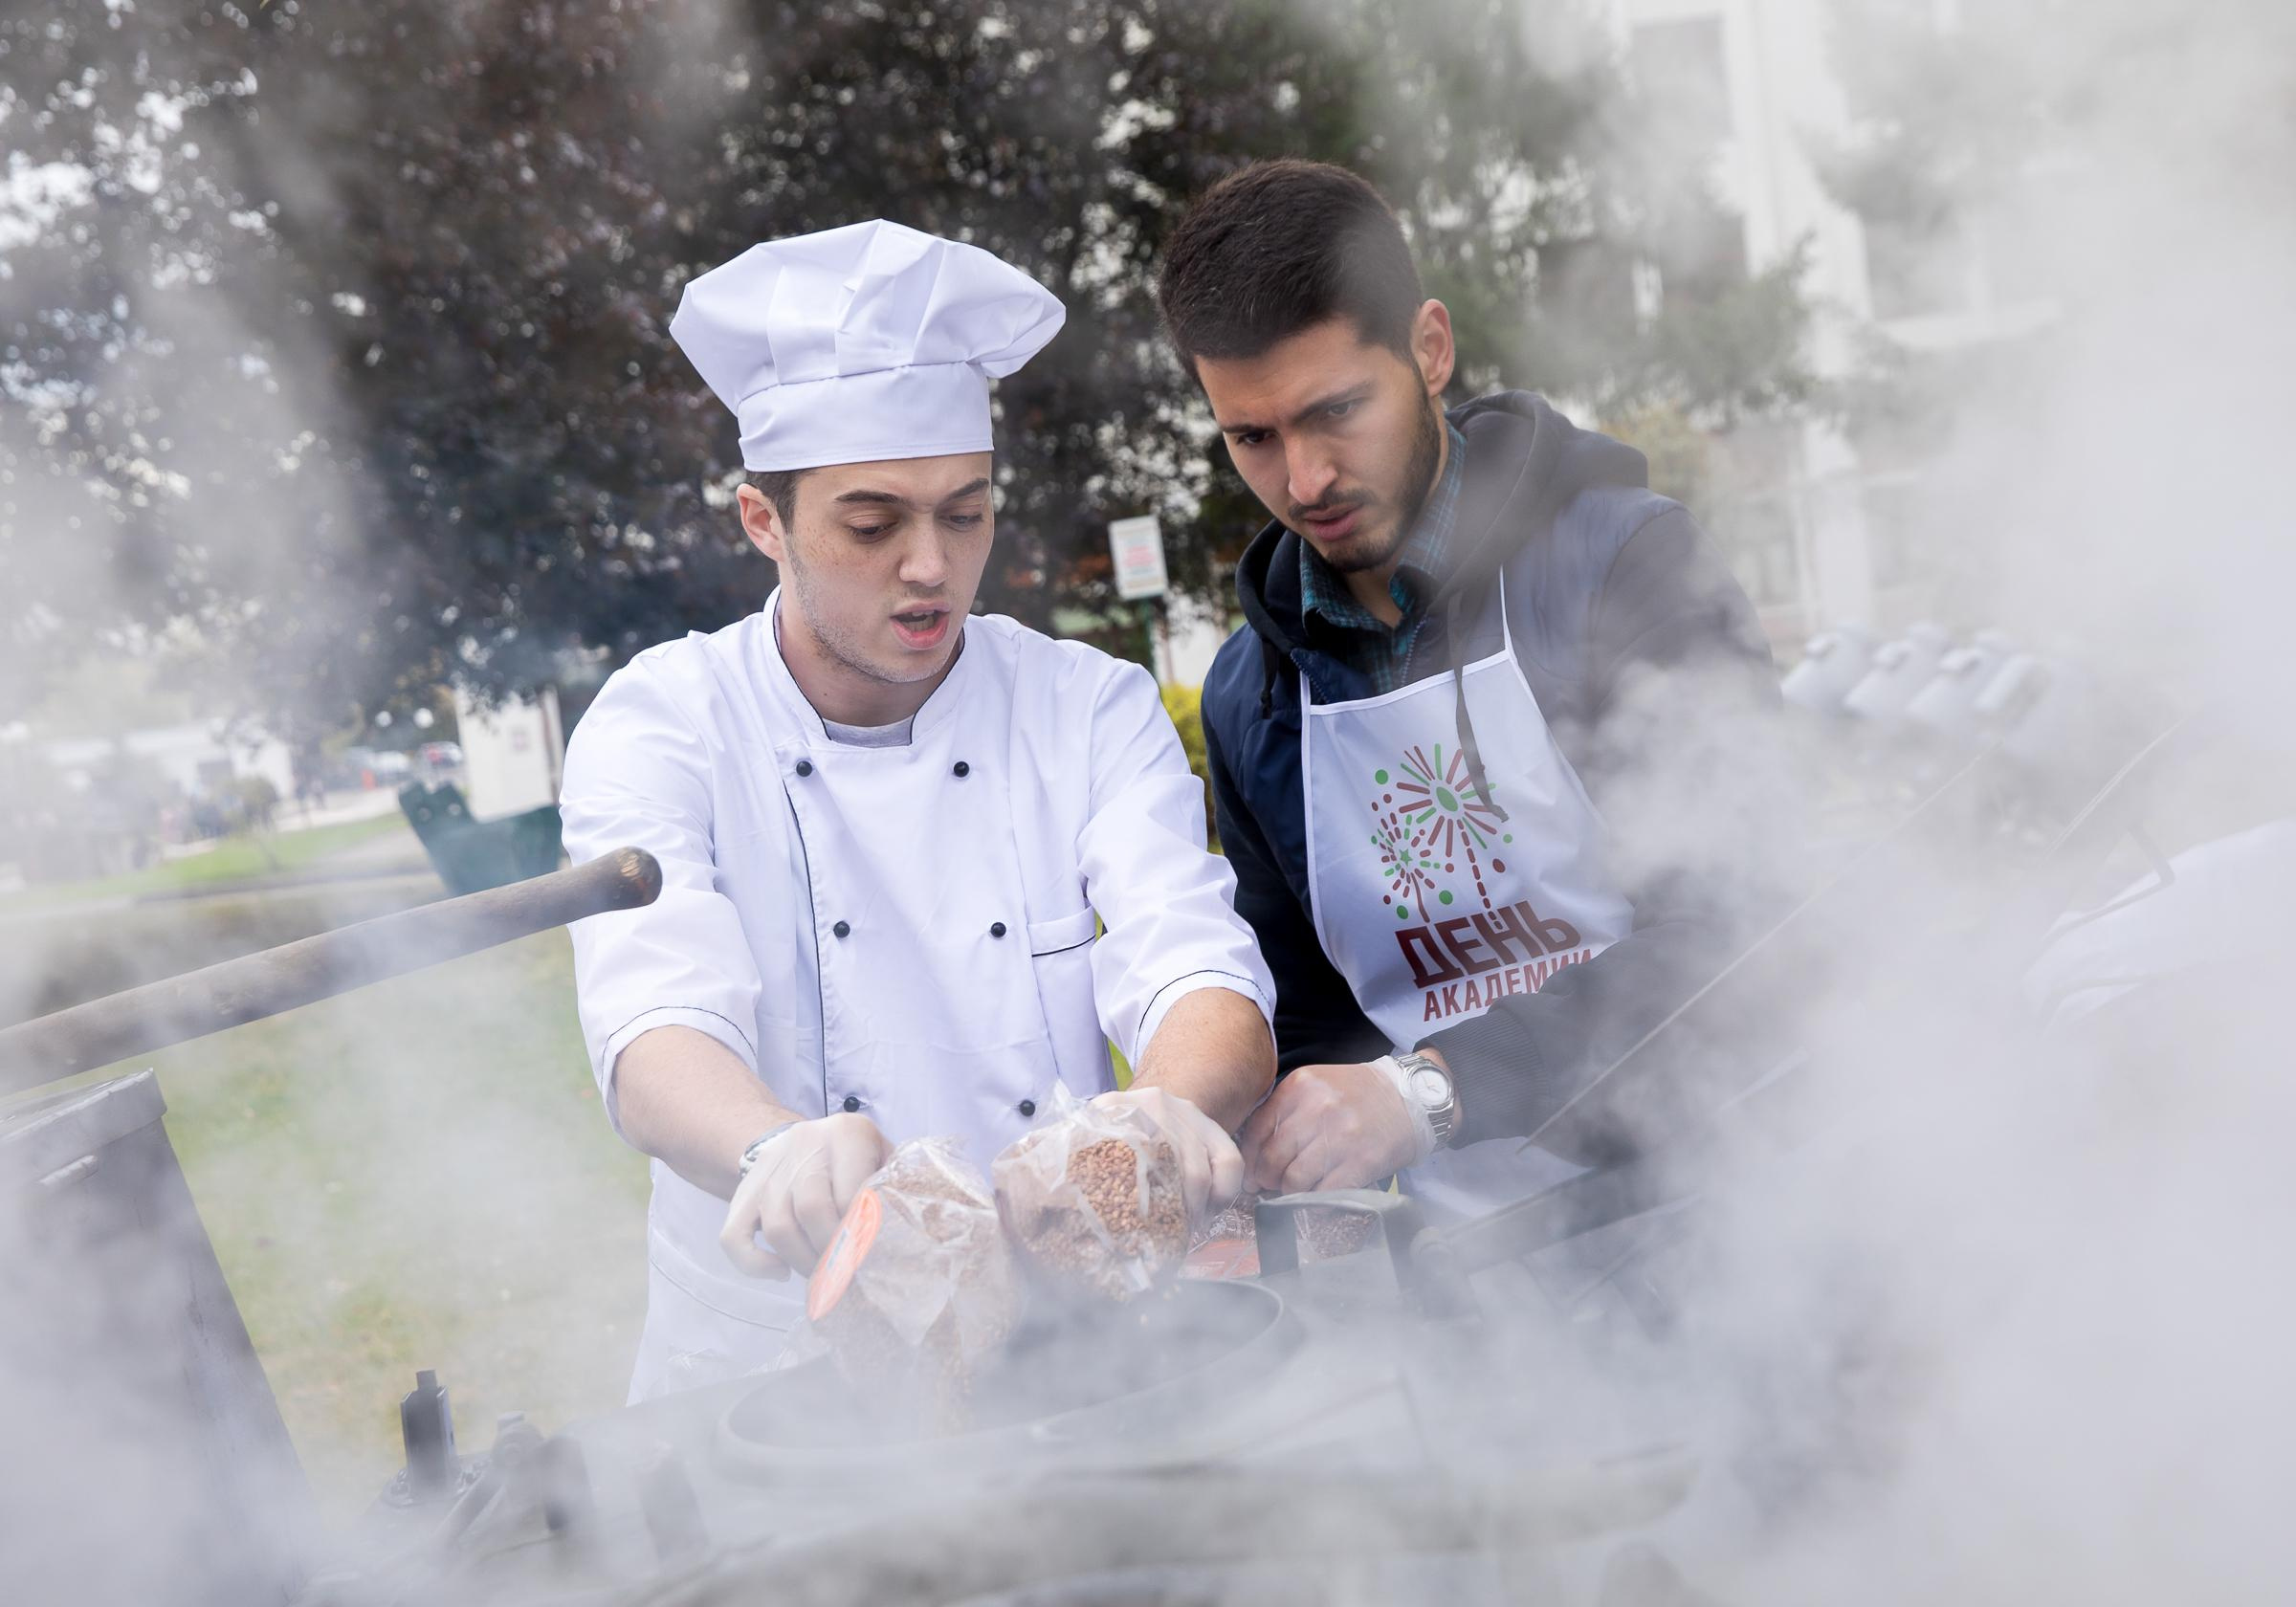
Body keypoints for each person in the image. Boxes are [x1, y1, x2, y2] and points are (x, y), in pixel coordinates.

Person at [562, 220, 1276, 1398]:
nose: (932, 567)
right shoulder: (664, 721)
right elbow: (652, 1027)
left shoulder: (1083, 707)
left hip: (1061, 1342)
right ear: (762, 522)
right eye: (871, 522)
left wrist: (1157, 1116)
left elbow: (1197, 970)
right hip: (764, 1369)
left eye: (965, 512)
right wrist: (774, 1146)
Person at [1155, 161, 1785, 1219]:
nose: (1303, 481)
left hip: (1732, 1206)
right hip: (1483, 1288)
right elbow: (1311, 1027)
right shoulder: (1251, 697)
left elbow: (1746, 926)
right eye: (1251, 437)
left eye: (1337, 410)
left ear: (1430, 349)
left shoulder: (1623, 567)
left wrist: (1432, 1090)